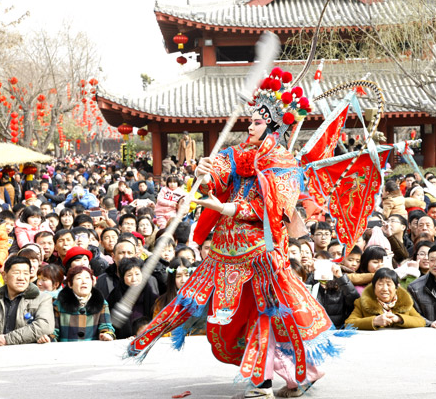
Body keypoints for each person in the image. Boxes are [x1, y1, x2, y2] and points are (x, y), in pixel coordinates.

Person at [127, 68, 336, 397]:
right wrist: (203, 171)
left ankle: (265, 381)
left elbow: (269, 212)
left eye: (255, 121)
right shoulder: (242, 154)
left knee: (267, 312)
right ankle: (297, 375)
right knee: (235, 312)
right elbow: (221, 171)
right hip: (226, 249)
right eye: (250, 120)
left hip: (262, 252)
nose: (249, 126)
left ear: (271, 124)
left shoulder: (284, 162)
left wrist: (223, 208)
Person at [0, 256, 54, 346]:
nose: (21, 278)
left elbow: (44, 326)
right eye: (16, 273)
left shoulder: (42, 299)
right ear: (4, 276)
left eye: (26, 273)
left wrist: (7, 339)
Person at [345, 268, 426, 330]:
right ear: (374, 287)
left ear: (396, 287)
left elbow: (421, 321)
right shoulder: (362, 302)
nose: (384, 289)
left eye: (388, 284)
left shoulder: (404, 302)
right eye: (380, 284)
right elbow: (348, 324)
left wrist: (399, 318)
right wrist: (374, 321)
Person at [50, 266, 115, 342]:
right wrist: (49, 338)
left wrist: (106, 334)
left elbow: (106, 326)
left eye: (87, 278)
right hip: (66, 351)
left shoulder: (101, 303)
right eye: (79, 278)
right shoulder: (58, 304)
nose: (84, 281)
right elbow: (54, 331)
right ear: (70, 284)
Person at [107, 257, 158, 339]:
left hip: (149, 338)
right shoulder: (115, 296)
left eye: (137, 274)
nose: (134, 279)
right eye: (129, 275)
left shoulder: (151, 293)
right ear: (122, 277)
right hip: (123, 340)